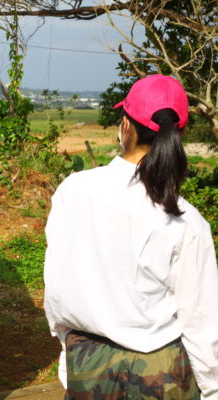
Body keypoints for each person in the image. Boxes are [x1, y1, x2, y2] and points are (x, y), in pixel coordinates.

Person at [43, 75, 218, 399]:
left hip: (88, 360)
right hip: (161, 370)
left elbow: (56, 285)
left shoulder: (74, 190)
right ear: (178, 135)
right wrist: (212, 389)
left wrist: (69, 346)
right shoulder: (187, 220)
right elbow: (200, 320)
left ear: (125, 125)